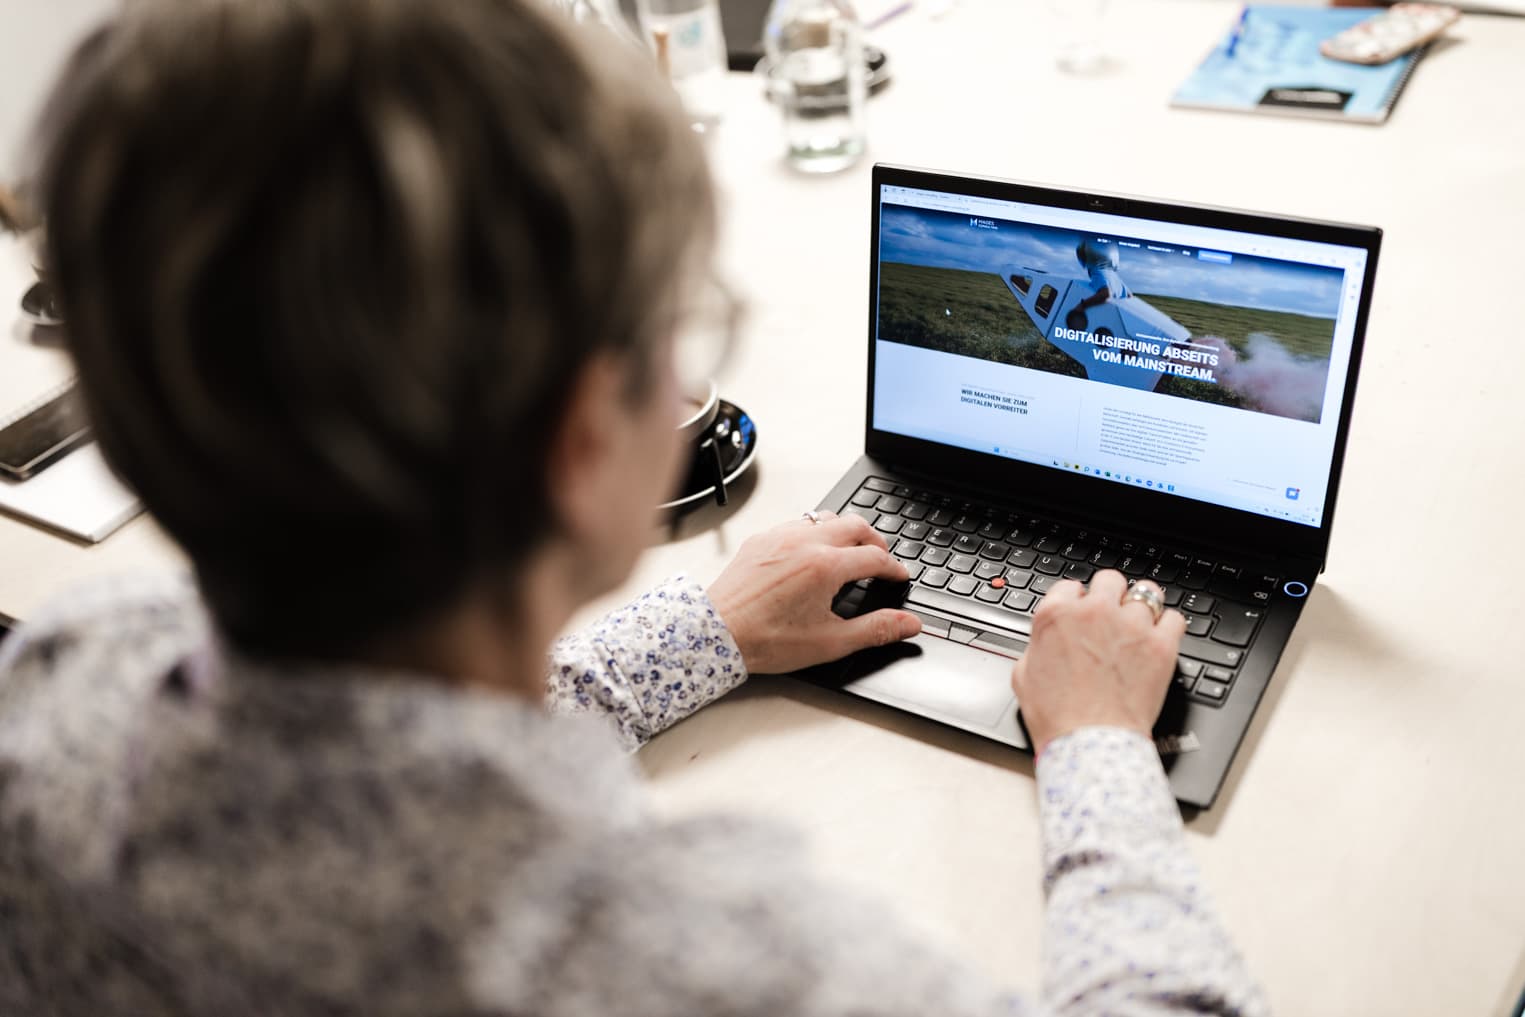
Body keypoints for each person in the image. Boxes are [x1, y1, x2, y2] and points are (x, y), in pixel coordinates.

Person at [0, 1, 1268, 1015]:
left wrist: (698, 633)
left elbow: (358, 766)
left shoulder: (63, 675)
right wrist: (1098, 745)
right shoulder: (691, 963)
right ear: (579, 440)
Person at [1065, 238, 1130, 331]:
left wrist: (1082, 305)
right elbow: (1129, 296)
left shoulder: (1097, 271)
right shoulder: (1116, 277)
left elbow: (1106, 294)